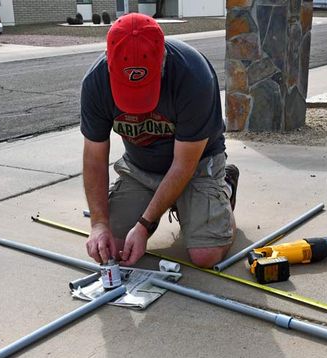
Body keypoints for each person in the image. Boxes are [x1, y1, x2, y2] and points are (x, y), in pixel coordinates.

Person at [80, 12, 238, 268]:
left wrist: (143, 225)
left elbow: (183, 165)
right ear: (110, 64)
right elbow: (94, 159)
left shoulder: (194, 76)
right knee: (113, 249)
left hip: (197, 165)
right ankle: (184, 204)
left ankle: (224, 188)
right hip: (141, 168)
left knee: (205, 256)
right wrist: (98, 225)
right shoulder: (95, 82)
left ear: (162, 60)